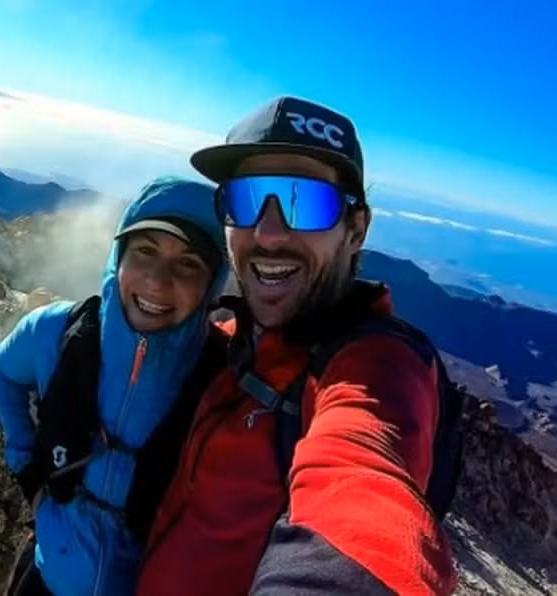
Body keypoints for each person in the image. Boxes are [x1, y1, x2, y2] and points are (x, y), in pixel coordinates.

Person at [135, 97, 461, 595]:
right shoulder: (229, 344)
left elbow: (361, 488)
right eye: (245, 200)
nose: (266, 234)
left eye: (303, 202)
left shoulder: (377, 368)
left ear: (356, 230)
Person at [0, 176, 230, 596]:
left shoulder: (225, 380)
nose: (157, 280)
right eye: (144, 252)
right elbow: (5, 372)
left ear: (212, 285)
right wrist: (27, 471)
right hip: (48, 575)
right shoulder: (55, 332)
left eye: (188, 263)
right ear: (118, 258)